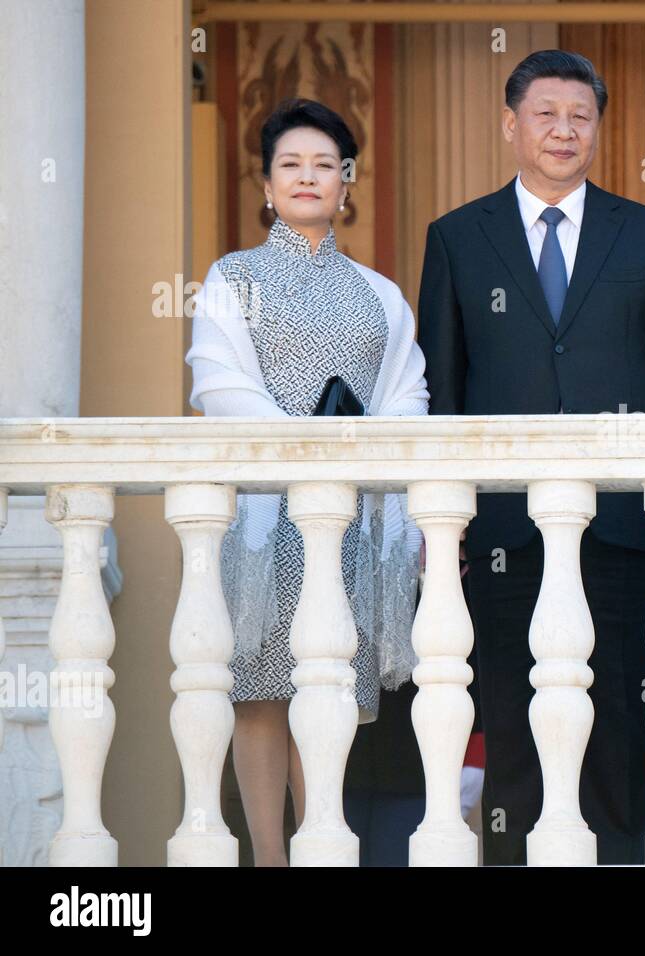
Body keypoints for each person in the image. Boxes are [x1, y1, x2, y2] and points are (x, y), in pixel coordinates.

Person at [417, 49, 645, 865]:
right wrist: (452, 534)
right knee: (511, 722)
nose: (563, 130)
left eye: (580, 116)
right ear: (511, 125)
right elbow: (443, 395)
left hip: (620, 530)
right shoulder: (458, 238)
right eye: (545, 113)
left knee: (616, 722)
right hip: (505, 532)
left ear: (598, 130)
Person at [186, 98, 429, 866]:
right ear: (266, 182)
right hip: (264, 514)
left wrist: (353, 452)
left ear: (346, 183)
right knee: (258, 690)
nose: (307, 176)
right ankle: (269, 854)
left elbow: (408, 394)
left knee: (325, 688)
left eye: (324, 165)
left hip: (350, 516)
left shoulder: (380, 293)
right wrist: (300, 451)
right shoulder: (234, 279)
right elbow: (217, 384)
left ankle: (322, 838)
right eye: (290, 164)